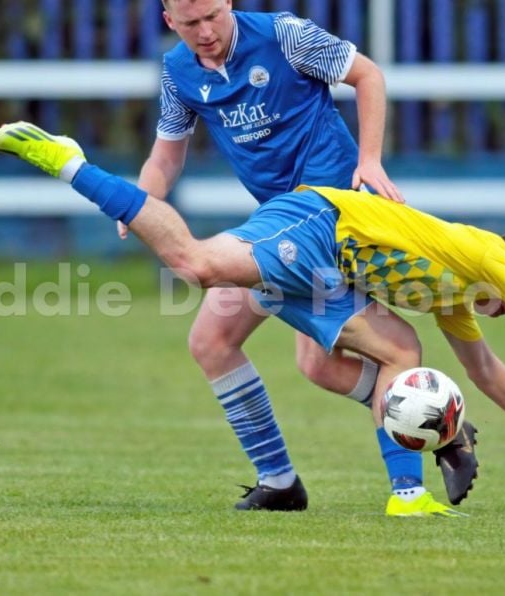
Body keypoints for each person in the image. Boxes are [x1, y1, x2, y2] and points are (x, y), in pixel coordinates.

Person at [0, 125, 505, 513]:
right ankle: (71, 165)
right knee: (198, 265)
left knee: (352, 358)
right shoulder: (485, 255)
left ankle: (417, 478)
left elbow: (484, 371)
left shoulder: (457, 299)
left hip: (327, 268)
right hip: (316, 223)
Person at [114, 0, 478, 513]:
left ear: (229, 4)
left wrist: (369, 159)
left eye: (213, 16)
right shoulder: (177, 72)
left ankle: (411, 487)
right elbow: (167, 152)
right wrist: (144, 202)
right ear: (170, 21)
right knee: (284, 357)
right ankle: (290, 478)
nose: (205, 32)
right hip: (277, 223)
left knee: (391, 348)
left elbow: (367, 74)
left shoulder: (285, 36)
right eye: (190, 23)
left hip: (331, 218)